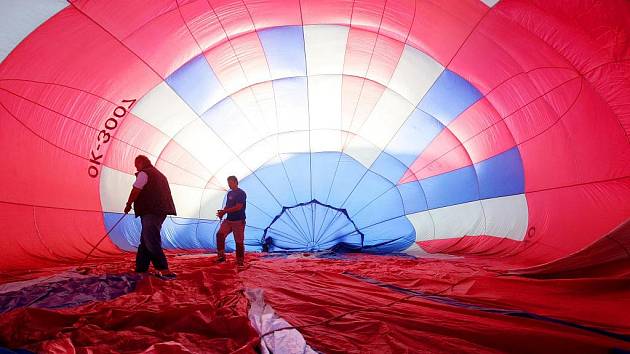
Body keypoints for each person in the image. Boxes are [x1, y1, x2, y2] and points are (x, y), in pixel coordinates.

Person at [124, 155, 177, 278]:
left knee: (151, 239)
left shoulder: (144, 173)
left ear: (141, 162)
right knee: (145, 240)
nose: (136, 168)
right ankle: (141, 268)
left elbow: (136, 190)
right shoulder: (160, 175)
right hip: (161, 210)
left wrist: (128, 204)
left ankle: (163, 269)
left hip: (151, 211)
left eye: (136, 165)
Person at [215, 176, 247, 266]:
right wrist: (222, 213)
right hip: (229, 220)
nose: (229, 184)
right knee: (220, 235)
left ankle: (240, 262)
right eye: (228, 182)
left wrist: (225, 211)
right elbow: (227, 206)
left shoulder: (241, 193)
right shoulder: (229, 194)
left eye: (231, 182)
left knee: (239, 242)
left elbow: (238, 207)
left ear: (236, 182)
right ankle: (221, 257)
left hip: (238, 221)